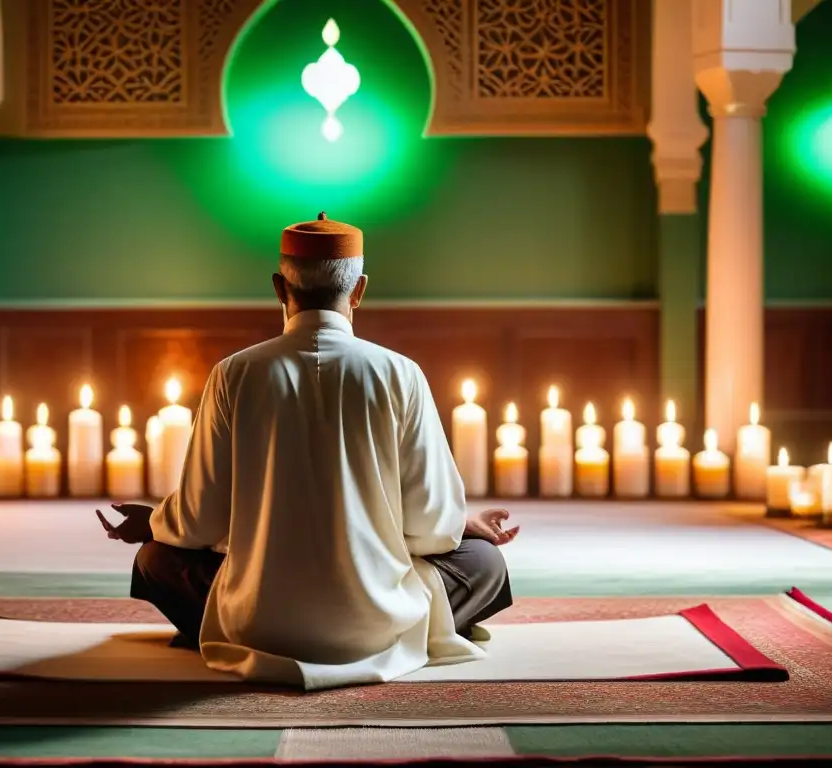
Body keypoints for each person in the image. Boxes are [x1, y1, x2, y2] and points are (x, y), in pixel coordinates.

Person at [96, 212, 517, 690]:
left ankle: (225, 630)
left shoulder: (234, 374)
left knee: (156, 558)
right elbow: (431, 527)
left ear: (279, 287)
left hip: (257, 624)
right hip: (377, 623)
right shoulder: (401, 374)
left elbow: (198, 524)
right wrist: (460, 524)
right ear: (359, 290)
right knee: (485, 562)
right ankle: (410, 632)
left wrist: (154, 521)